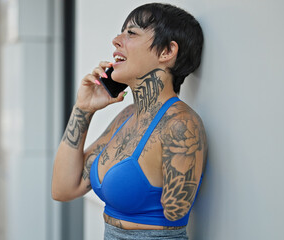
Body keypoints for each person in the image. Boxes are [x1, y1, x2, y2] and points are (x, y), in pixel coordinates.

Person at [52, 3, 207, 239]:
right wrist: (83, 109)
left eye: (131, 33)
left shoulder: (181, 124)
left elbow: (176, 210)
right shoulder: (127, 116)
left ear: (167, 52)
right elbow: (63, 188)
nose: (116, 40)